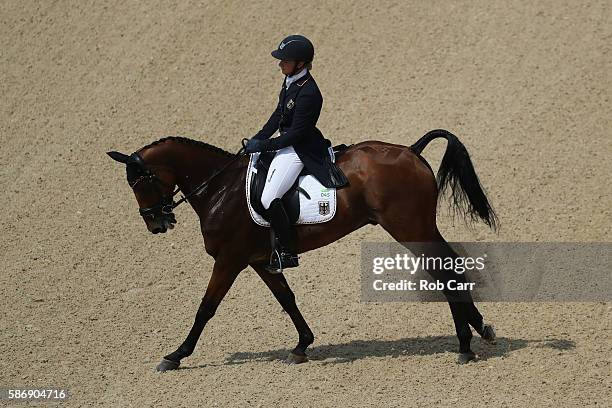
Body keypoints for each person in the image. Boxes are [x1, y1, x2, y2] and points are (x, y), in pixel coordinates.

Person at [245, 34, 348, 273]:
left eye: (285, 60)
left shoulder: (309, 92)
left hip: (299, 149)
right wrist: (259, 137)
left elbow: (295, 136)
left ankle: (288, 251)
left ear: (300, 63)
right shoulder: (291, 81)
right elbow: (278, 115)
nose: (280, 64)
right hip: (287, 142)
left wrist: (263, 146)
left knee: (269, 197)